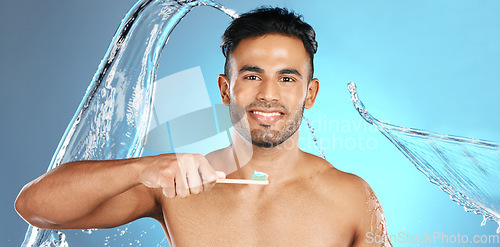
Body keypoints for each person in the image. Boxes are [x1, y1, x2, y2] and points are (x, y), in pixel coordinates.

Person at [15, 7, 391, 247]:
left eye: (288, 79)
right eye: (252, 76)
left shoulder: (351, 197)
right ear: (226, 89)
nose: (268, 95)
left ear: (310, 94)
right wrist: (143, 167)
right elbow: (35, 206)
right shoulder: (177, 185)